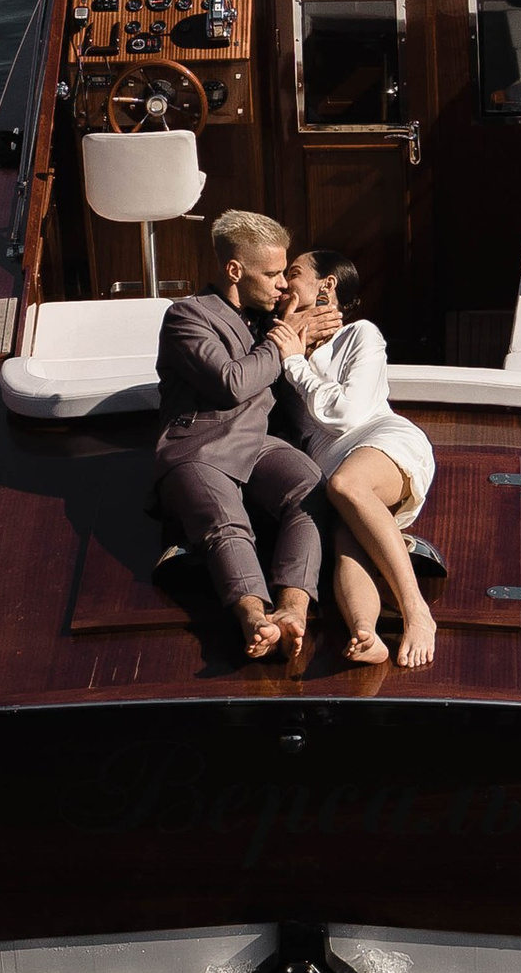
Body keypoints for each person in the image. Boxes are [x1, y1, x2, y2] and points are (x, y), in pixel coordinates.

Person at [155, 212, 320, 666]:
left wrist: (306, 343)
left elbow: (281, 386)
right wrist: (283, 339)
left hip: (258, 443)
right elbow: (230, 381)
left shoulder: (264, 319)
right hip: (199, 448)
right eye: (270, 275)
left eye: (283, 274)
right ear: (234, 271)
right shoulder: (187, 315)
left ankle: (293, 606)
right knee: (226, 524)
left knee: (313, 487)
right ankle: (253, 616)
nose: (281, 286)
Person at [278, 250, 439, 671]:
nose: (282, 284)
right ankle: (365, 633)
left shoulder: (361, 335)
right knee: (347, 548)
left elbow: (346, 414)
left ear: (326, 286)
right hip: (330, 469)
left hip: (381, 443)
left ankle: (417, 612)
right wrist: (291, 344)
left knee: (348, 485)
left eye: (293, 274)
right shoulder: (278, 344)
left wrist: (295, 360)